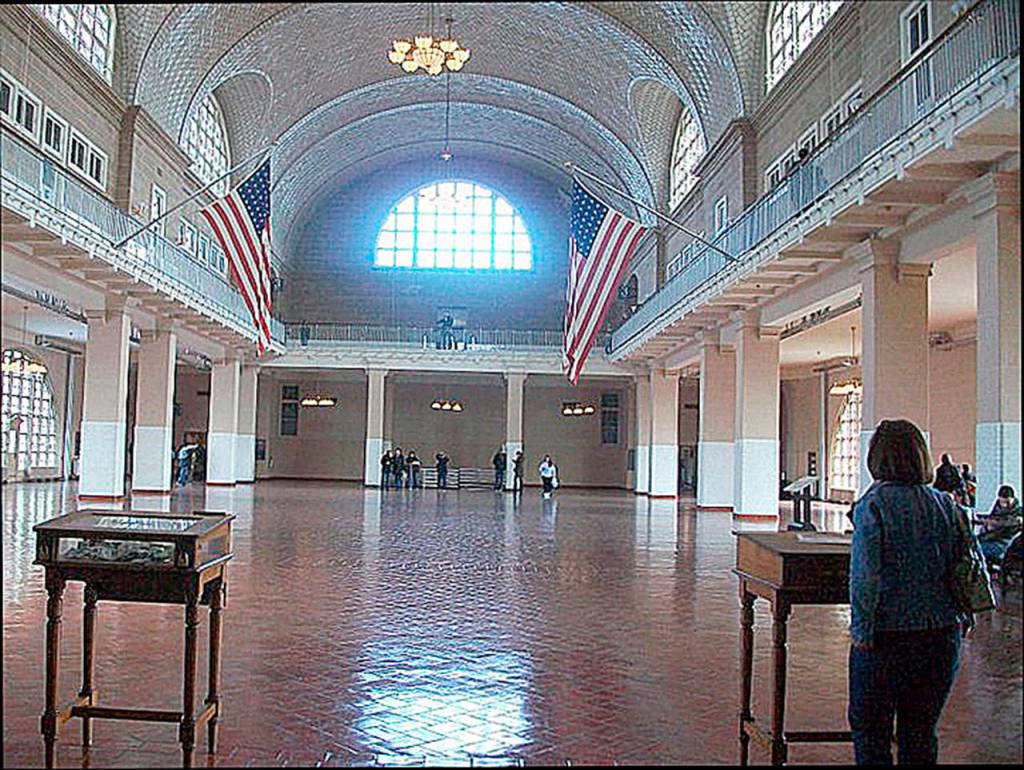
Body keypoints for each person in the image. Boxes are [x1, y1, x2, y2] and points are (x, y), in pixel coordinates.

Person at [848, 419, 977, 766]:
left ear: (876, 457)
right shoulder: (946, 505)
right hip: (942, 633)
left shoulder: (873, 505)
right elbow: (964, 566)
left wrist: (861, 630)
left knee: (871, 732)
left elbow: (866, 576)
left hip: (888, 636)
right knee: (920, 732)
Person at [977, 485, 1023, 563]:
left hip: (1004, 543)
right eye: (1003, 502)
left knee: (978, 549)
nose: (1005, 505)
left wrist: (994, 524)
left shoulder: (1018, 512)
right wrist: (987, 527)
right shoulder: (996, 509)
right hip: (990, 538)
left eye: (1007, 502)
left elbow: (1012, 523)